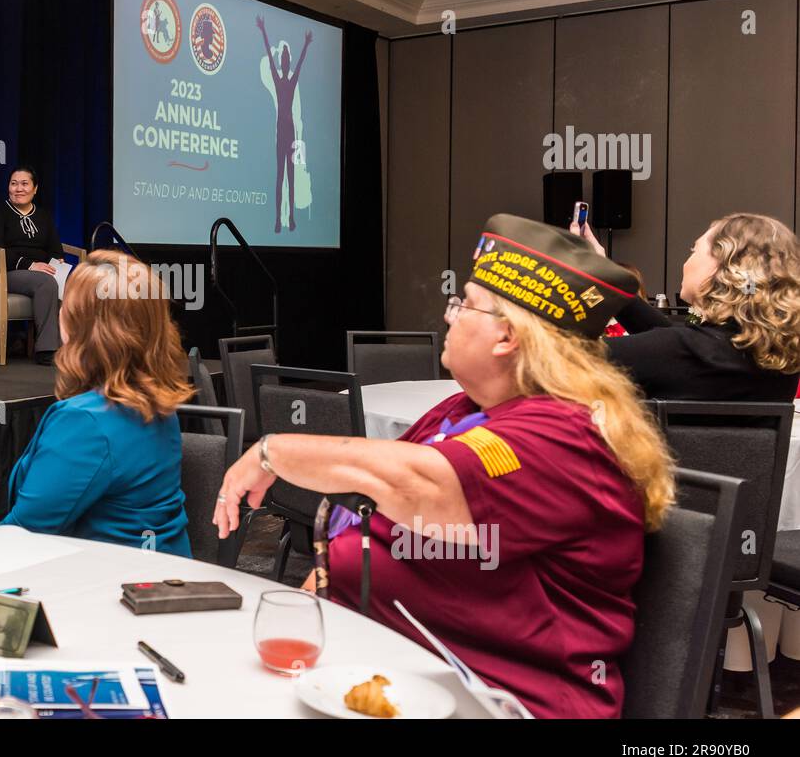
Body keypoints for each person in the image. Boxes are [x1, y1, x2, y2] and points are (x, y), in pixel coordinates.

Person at [215, 215, 675, 718]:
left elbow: (422, 486)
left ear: (507, 337)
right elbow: (364, 524)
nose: (450, 315)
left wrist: (272, 452)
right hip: (392, 680)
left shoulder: (567, 437)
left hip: (507, 705)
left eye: (465, 304)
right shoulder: (459, 411)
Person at [0, 251, 194, 555]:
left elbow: (23, 535)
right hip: (160, 580)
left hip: (105, 588)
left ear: (81, 326)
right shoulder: (155, 401)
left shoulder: (84, 422)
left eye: (66, 304)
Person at [573, 215, 800, 400]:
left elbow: (564, 357)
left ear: (724, 268)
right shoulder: (781, 359)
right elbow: (672, 337)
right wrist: (602, 271)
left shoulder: (681, 351)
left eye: (694, 250)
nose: (686, 262)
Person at [0, 166, 64, 365]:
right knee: (46, 282)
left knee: (78, 281)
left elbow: (55, 249)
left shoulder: (43, 216)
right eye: (13, 183)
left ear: (35, 189)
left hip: (40, 274)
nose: (18, 189)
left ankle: (71, 348)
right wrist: (30, 265)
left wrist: (56, 263)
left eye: (24, 184)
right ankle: (47, 350)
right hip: (3, 273)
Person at [256, 15, 311, 234]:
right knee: (280, 176)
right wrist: (263, 32)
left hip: (290, 133)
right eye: (285, 56)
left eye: (288, 56)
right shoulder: (279, 81)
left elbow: (300, 64)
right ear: (282, 62)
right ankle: (278, 219)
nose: (286, 59)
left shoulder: (290, 79)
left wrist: (306, 45)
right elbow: (270, 57)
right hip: (282, 133)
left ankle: (291, 217)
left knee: (290, 176)